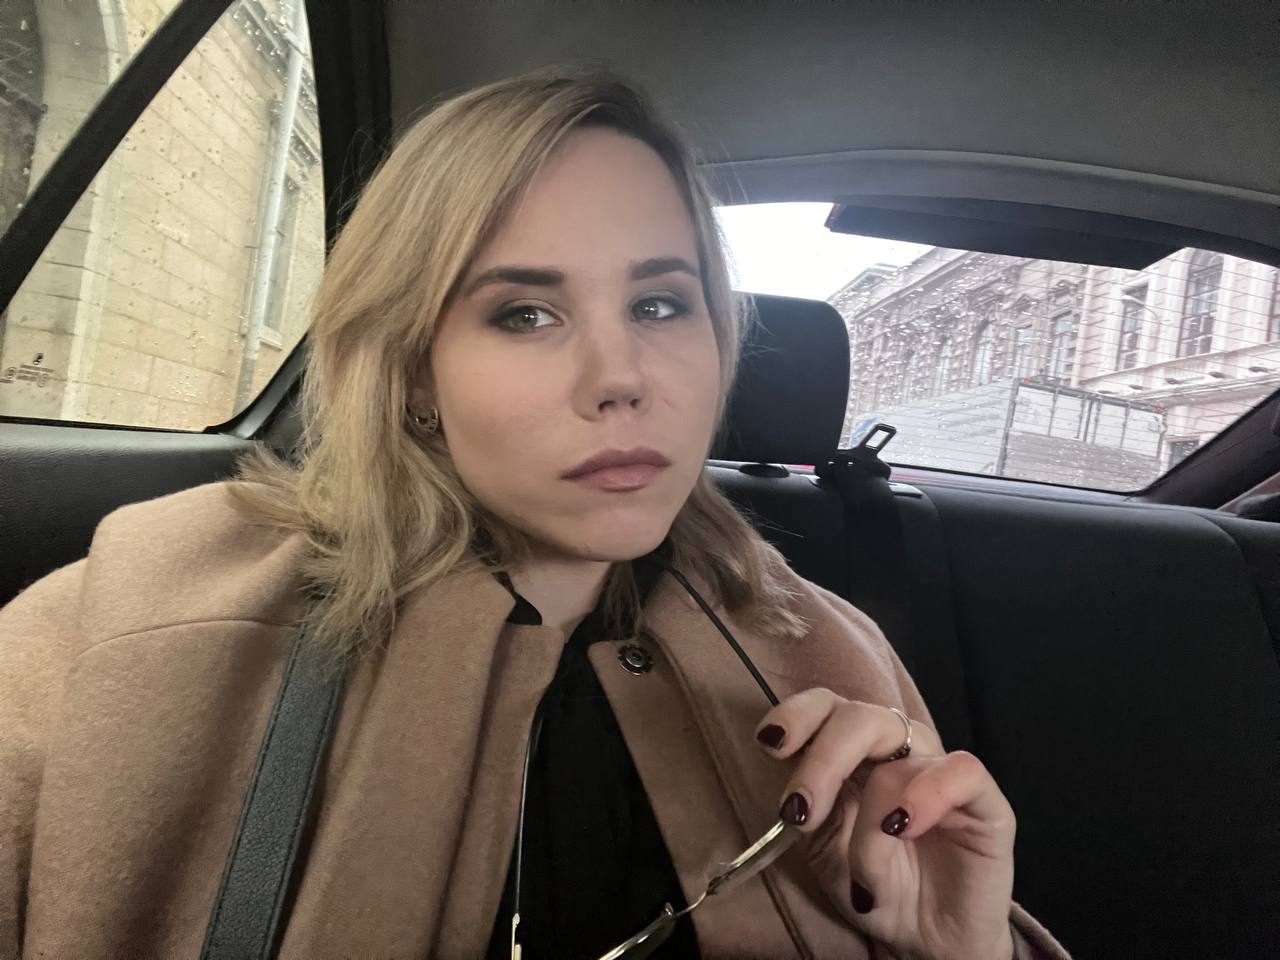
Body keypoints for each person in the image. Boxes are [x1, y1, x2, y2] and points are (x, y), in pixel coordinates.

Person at [0, 66, 1070, 960]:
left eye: (660, 303)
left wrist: (963, 950)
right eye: (524, 313)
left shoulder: (834, 656)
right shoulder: (125, 627)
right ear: (413, 371)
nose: (621, 377)